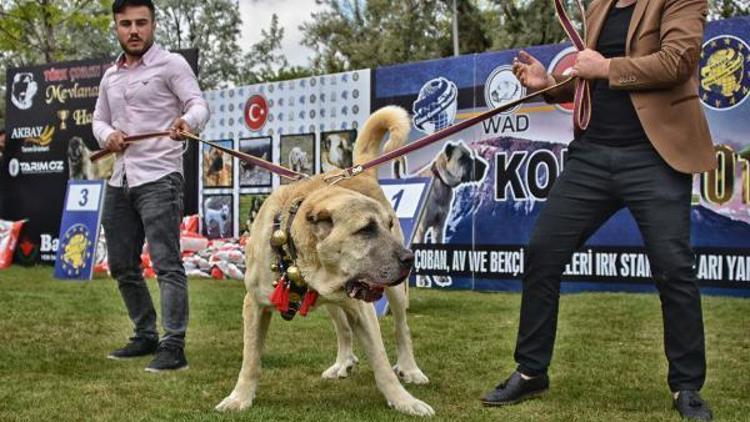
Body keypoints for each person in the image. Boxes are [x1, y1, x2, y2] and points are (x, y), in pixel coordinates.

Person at [481, 0, 715, 420]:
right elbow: (589, 80)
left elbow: (678, 62)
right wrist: (548, 84)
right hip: (592, 155)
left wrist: (605, 67)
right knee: (543, 252)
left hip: (655, 158)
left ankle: (687, 386)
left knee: (673, 269)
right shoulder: (600, 4)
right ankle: (532, 371)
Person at [92, 0, 209, 372]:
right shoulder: (110, 76)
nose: (134, 30)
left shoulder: (171, 64)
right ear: (116, 27)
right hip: (120, 178)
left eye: (141, 22)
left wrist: (186, 121)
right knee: (122, 264)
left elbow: (198, 104)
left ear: (153, 24)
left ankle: (173, 344)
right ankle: (145, 335)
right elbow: (99, 119)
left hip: (160, 176)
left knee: (166, 264)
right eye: (125, 23)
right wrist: (109, 135)